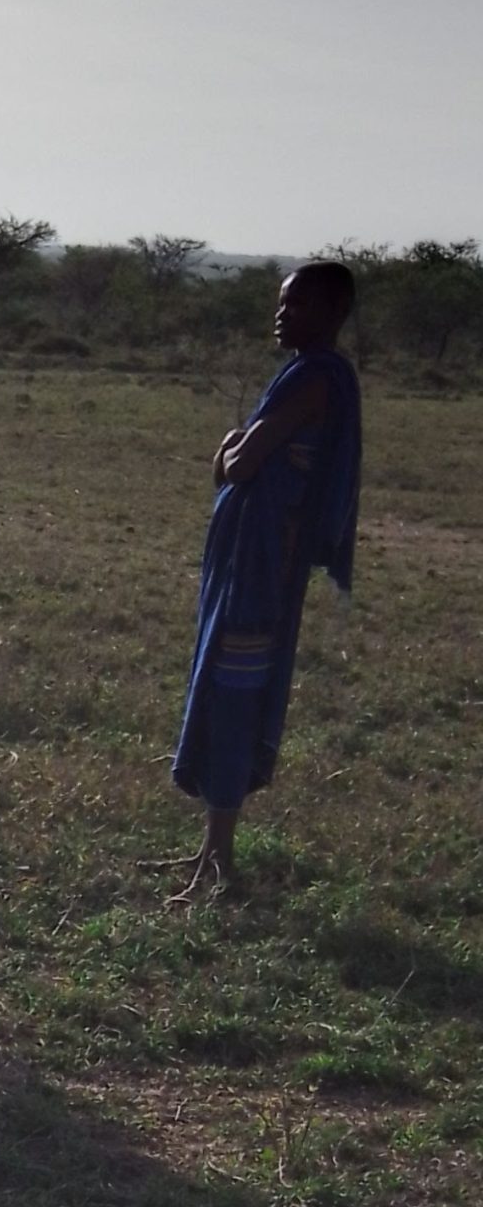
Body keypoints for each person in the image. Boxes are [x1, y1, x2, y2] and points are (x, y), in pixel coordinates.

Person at [164, 261, 362, 902]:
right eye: (281, 303)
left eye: (298, 304)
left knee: (233, 692)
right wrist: (235, 453)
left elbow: (239, 464)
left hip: (261, 566)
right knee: (227, 685)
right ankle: (211, 850)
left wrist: (227, 447)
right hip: (250, 556)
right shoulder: (308, 374)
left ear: (334, 313)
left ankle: (220, 858)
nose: (282, 314)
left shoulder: (315, 378)